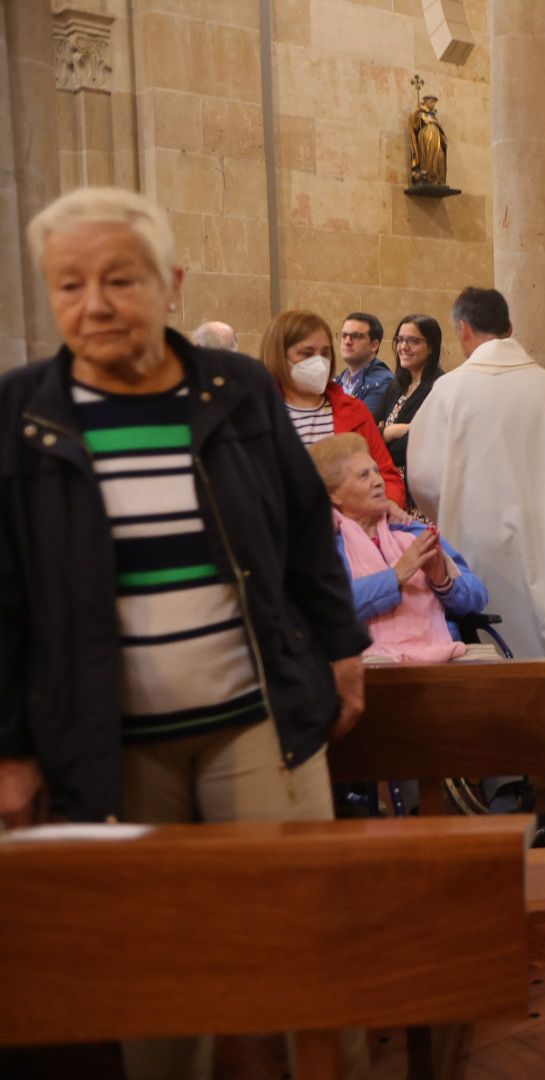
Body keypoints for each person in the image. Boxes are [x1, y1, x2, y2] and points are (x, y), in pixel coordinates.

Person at [0, 186, 369, 1079]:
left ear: (169, 283)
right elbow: (6, 598)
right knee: (155, 984)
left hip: (257, 720)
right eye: (68, 284)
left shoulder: (235, 388)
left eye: (118, 279)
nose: (92, 305)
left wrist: (344, 657)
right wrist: (13, 749)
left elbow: (302, 528)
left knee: (306, 953)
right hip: (111, 742)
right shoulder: (21, 411)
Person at [408, 287, 545, 794]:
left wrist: (447, 513)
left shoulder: (452, 392)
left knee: (498, 652)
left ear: (462, 330)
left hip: (483, 549)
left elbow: (425, 478)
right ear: (507, 324)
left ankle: (506, 778)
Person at [310, 433, 487, 662]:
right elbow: (327, 608)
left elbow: (478, 596)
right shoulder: (325, 545)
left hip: (442, 655)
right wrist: (395, 577)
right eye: (364, 475)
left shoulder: (412, 531)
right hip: (364, 661)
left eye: (376, 471)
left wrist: (444, 583)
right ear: (335, 494)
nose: (378, 481)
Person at [259, 308, 406, 508]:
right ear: (279, 355)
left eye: (325, 353)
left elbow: (387, 475)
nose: (319, 362)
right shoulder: (257, 415)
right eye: (307, 353)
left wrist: (388, 505)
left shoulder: (354, 411)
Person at [377, 313, 443, 478]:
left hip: (418, 487)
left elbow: (416, 445)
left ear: (431, 347)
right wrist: (390, 432)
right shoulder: (396, 385)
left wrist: (380, 436)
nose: (403, 347)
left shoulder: (439, 388)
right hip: (389, 479)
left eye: (413, 341)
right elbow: (367, 431)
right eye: (400, 340)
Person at [336, 311, 393, 423]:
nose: (347, 341)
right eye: (344, 335)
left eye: (356, 336)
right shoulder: (339, 380)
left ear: (374, 345)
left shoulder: (382, 381)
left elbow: (358, 425)